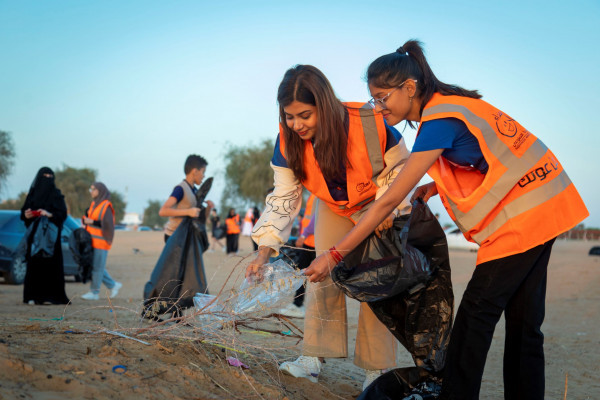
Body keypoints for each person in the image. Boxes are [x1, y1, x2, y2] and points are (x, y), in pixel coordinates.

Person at [305, 40, 589, 399]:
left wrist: (334, 255)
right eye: (373, 99)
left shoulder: (438, 121)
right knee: (524, 322)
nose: (378, 107)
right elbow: (484, 155)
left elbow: (388, 200)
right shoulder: (451, 105)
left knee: (475, 316)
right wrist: (435, 186)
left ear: (409, 88)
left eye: (382, 97)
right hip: (550, 202)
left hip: (525, 217)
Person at [246, 65, 413, 390]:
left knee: (377, 281)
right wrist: (263, 252)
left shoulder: (369, 124)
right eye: (289, 116)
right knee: (320, 275)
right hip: (333, 206)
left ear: (323, 105)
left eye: (305, 115)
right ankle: (313, 357)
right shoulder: (287, 141)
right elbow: (283, 198)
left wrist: (390, 209)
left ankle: (376, 370)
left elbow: (400, 170)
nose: (296, 125)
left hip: (378, 204)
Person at [20, 167, 70, 305]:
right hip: (35, 238)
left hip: (51, 238)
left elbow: (62, 214)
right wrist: (27, 214)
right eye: (45, 175)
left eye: (50, 176)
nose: (48, 178)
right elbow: (23, 213)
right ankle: (32, 296)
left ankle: (52, 297)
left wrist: (49, 214)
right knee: (34, 266)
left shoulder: (56, 195)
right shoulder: (32, 194)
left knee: (51, 266)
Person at [80, 182, 122, 301]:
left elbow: (108, 225)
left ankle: (94, 293)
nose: (91, 191)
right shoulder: (94, 204)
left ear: (100, 191)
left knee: (97, 267)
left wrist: (91, 222)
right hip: (91, 241)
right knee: (96, 266)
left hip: (101, 242)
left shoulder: (106, 206)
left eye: (93, 189)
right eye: (90, 189)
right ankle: (113, 285)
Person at [278, 193, 317, 318]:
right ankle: (298, 304)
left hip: (313, 241)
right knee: (301, 272)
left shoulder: (318, 194)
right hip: (310, 241)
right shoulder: (313, 194)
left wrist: (304, 235)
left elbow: (317, 217)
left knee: (303, 273)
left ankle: (299, 305)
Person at [159, 155, 214, 243]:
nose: (204, 176)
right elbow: (163, 211)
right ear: (195, 171)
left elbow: (201, 220)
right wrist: (188, 212)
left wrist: (208, 208)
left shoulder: (196, 191)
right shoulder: (180, 189)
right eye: (203, 172)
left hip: (187, 236)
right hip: (174, 237)